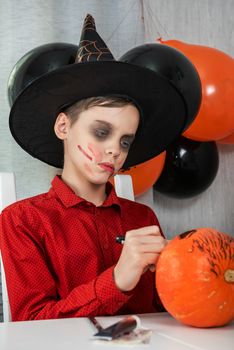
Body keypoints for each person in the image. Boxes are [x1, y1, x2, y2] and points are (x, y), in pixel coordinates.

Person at [0, 15, 188, 321]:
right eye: (101, 132)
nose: (115, 149)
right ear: (63, 126)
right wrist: (116, 281)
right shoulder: (23, 221)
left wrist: (191, 265)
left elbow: (167, 311)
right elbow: (30, 323)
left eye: (126, 142)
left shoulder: (142, 218)